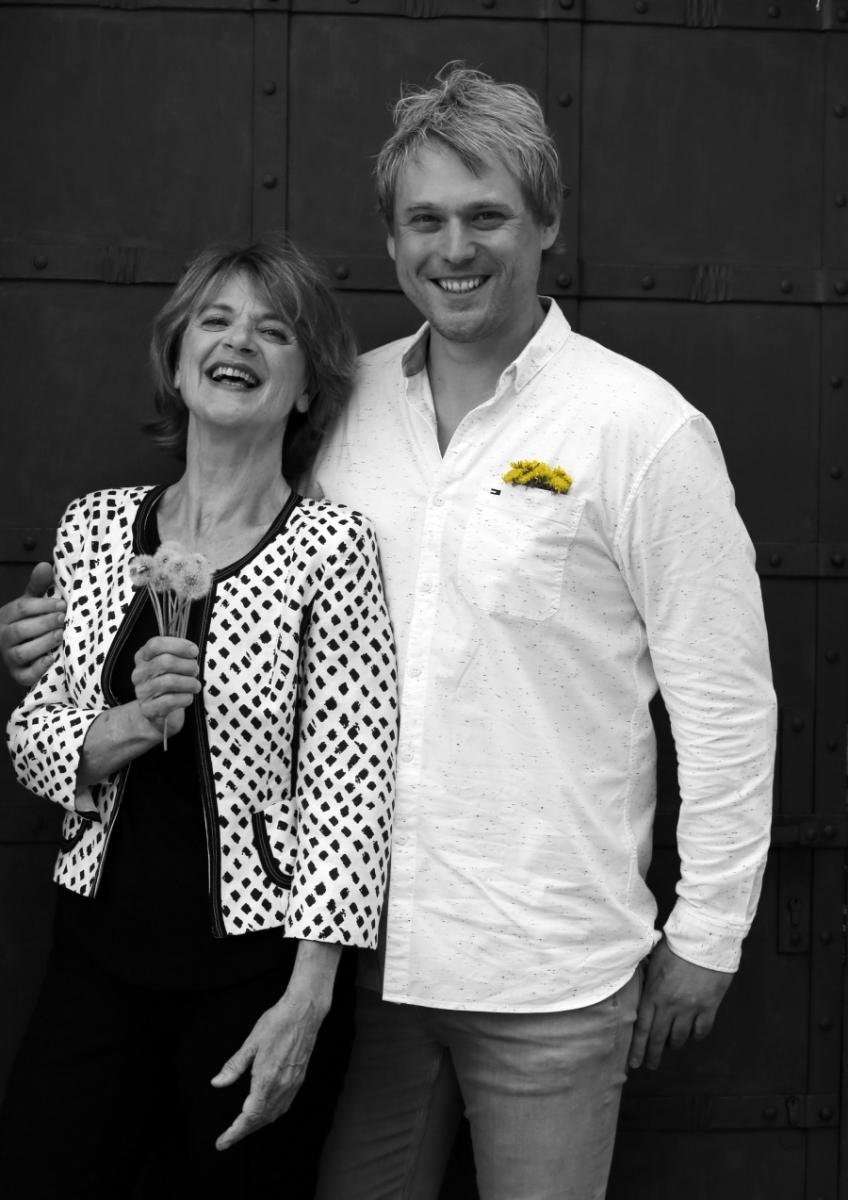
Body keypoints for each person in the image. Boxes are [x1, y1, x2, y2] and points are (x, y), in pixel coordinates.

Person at [1, 64, 776, 1200]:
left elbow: (725, 701)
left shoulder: (639, 428)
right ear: (393, 238)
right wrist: (62, 636)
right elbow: (231, 555)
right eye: (425, 220)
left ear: (547, 224)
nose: (454, 249)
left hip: (548, 968)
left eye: (486, 217)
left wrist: (708, 934)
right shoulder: (342, 405)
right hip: (364, 970)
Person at [0, 234, 398, 1199]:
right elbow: (34, 736)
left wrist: (309, 998)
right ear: (177, 364)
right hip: (96, 951)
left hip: (252, 976)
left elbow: (351, 787)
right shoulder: (95, 526)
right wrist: (130, 724)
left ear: (305, 389)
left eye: (274, 332)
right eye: (214, 322)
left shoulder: (331, 546)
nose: (239, 343)